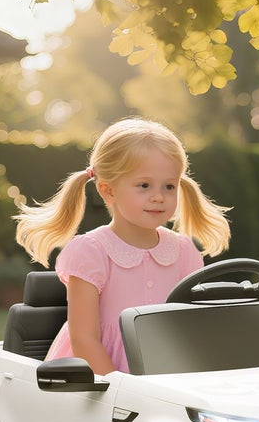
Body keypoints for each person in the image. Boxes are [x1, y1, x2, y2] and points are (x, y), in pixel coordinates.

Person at [14, 117, 231, 374]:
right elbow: (84, 340)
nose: (159, 196)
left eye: (169, 186)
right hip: (99, 379)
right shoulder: (91, 252)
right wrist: (122, 390)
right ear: (108, 191)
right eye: (144, 185)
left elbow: (191, 329)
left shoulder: (184, 251)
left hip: (167, 376)